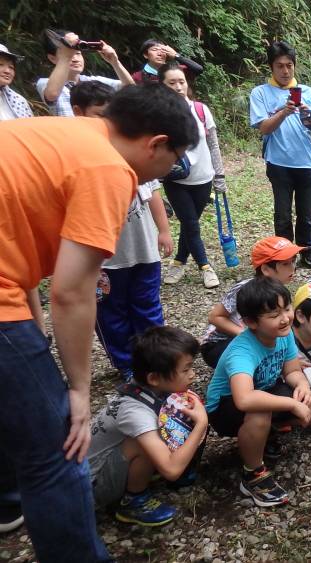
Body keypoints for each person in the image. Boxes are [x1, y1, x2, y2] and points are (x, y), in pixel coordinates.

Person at [0, 83, 197, 560]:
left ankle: (7, 502)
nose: (170, 171)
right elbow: (72, 292)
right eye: (174, 159)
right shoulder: (109, 168)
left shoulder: (67, 132)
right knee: (59, 450)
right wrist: (79, 391)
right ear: (155, 144)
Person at [70, 81, 174, 382]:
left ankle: (155, 361)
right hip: (106, 259)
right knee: (111, 314)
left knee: (148, 307)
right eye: (99, 114)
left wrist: (163, 230)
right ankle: (127, 365)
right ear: (78, 113)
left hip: (143, 249)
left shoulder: (133, 147)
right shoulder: (79, 155)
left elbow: (152, 192)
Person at [204, 277, 311, 507]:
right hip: (224, 406)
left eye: (287, 309)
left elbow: (292, 370)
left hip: (263, 389)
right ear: (251, 322)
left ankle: (264, 435)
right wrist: (292, 404)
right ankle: (253, 474)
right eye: (274, 315)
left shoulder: (283, 335)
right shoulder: (242, 350)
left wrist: (302, 385)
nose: (285, 319)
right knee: (260, 410)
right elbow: (244, 399)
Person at [87, 326, 208, 527]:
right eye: (186, 370)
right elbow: (170, 470)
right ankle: (133, 500)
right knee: (142, 440)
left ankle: (157, 471)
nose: (193, 375)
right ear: (154, 378)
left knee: (182, 414)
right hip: (91, 487)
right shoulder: (135, 413)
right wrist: (201, 423)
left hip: (108, 466)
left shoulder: (148, 386)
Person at [250, 40, 311, 271]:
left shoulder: (308, 92)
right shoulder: (260, 93)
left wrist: (306, 113)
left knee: (306, 213)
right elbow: (263, 127)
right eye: (280, 66)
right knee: (282, 214)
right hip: (278, 161)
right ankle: (283, 254)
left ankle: (307, 252)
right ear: (271, 67)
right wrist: (284, 111)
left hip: (306, 161)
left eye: (289, 65)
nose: (285, 71)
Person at [159, 62, 228, 289]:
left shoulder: (200, 110)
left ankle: (179, 261)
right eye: (172, 83)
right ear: (162, 86)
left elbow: (213, 145)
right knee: (190, 223)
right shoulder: (158, 114)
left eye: (181, 82)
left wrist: (219, 176)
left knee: (191, 224)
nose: (178, 87)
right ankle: (205, 267)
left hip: (203, 177)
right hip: (175, 179)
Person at [201, 236, 302, 369]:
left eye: (294, 262)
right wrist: (246, 336)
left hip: (258, 335)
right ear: (265, 269)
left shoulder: (278, 290)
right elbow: (215, 317)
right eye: (285, 264)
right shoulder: (244, 289)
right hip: (219, 343)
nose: (292, 268)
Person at [36, 29, 134, 117]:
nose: (75, 59)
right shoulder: (45, 83)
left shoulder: (92, 82)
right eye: (70, 55)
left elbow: (130, 89)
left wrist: (115, 62)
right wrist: (66, 57)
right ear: (52, 58)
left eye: (78, 54)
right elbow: (52, 95)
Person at [132, 39, 203, 85]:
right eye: (154, 49)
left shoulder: (176, 71)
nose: (159, 53)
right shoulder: (138, 77)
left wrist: (176, 55)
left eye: (163, 50)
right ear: (146, 55)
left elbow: (198, 69)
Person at [0, 43, 33, 121]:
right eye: (0, 64)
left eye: (11, 67)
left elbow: (30, 127)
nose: (7, 71)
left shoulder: (19, 101)